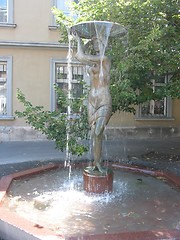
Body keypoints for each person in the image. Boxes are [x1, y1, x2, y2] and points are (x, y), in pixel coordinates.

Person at [73, 32, 112, 173]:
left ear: (104, 44)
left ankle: (98, 163)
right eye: (94, 42)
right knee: (94, 134)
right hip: (91, 100)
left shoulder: (105, 59)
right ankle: (96, 163)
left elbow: (80, 56)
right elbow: (78, 57)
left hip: (103, 99)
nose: (96, 45)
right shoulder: (93, 62)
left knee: (98, 131)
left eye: (98, 42)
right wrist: (85, 42)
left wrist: (78, 40)